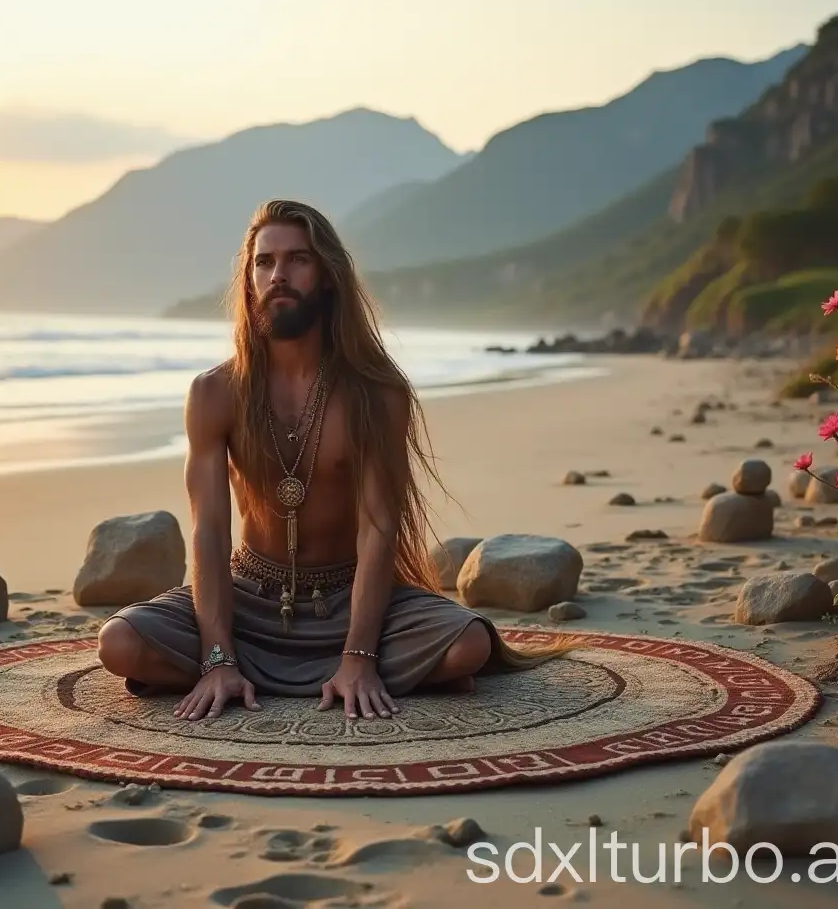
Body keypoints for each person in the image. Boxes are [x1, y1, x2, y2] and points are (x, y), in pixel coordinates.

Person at [97, 199, 569, 721]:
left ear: (326, 275)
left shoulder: (376, 394)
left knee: (469, 647)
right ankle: (241, 671)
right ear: (250, 278)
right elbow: (208, 532)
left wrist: (359, 655)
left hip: (347, 600)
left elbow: (378, 528)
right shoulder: (215, 393)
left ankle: (329, 673)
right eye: (265, 262)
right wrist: (217, 655)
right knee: (119, 643)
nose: (279, 274)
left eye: (298, 259)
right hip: (249, 601)